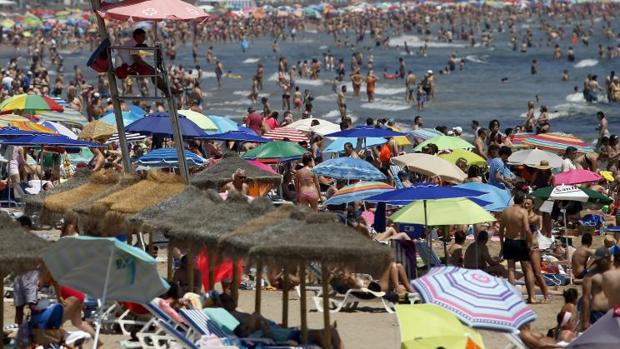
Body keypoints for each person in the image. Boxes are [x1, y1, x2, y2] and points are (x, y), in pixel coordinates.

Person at [499, 192, 537, 303]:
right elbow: (526, 229)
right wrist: (530, 242)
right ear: (522, 201)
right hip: (520, 241)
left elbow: (501, 230)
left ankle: (512, 297)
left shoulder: (506, 211)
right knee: (528, 269)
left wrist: (502, 245)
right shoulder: (523, 211)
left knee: (511, 269)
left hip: (509, 241)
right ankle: (532, 297)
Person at [118, 29, 174, 96]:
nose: (144, 39)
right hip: (130, 66)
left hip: (128, 64)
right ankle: (168, 90)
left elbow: (137, 58)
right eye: (143, 37)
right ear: (137, 36)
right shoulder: (134, 45)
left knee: (153, 72)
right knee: (153, 72)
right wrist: (150, 67)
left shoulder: (130, 43)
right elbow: (137, 59)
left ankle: (167, 90)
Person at [524, 196, 550, 302]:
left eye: (528, 204)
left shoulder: (535, 217)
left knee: (538, 273)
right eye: (525, 203)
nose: (525, 205)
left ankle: (546, 295)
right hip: (525, 246)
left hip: (534, 247)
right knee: (528, 273)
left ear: (533, 206)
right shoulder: (523, 216)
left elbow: (535, 226)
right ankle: (532, 296)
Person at [581, 247, 612, 329]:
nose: (597, 262)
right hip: (598, 313)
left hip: (615, 312)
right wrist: (585, 321)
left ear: (608, 258)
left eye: (599, 260)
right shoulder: (590, 276)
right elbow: (586, 299)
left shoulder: (616, 271)